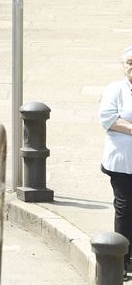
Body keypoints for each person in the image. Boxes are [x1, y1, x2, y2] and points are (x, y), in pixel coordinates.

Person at [100, 46, 132, 277]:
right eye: (129, 62)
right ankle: (121, 260)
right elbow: (109, 119)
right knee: (124, 208)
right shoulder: (116, 89)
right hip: (122, 163)